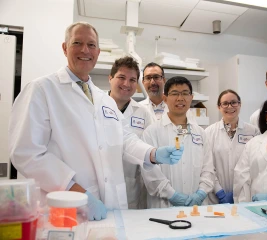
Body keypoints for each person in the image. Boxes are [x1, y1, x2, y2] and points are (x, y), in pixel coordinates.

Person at [8, 22, 184, 221]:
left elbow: (124, 139)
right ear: (65, 48)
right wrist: (77, 192)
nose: (85, 50)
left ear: (98, 52)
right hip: (66, 206)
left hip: (109, 207)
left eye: (91, 45)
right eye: (77, 43)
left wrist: (152, 153)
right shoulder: (42, 90)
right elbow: (26, 153)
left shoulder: (104, 100)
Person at [141, 76, 215, 208]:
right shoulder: (151, 132)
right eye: (175, 93)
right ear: (165, 99)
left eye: (185, 93)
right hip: (164, 206)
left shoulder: (200, 133)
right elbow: (149, 171)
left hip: (197, 206)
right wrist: (171, 195)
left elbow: (208, 169)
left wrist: (201, 193)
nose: (180, 98)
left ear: (191, 98)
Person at [108, 56, 154, 209]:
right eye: (121, 77)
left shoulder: (143, 113)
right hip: (102, 188)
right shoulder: (95, 107)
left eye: (132, 80)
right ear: (110, 78)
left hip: (131, 191)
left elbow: (148, 151)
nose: (126, 84)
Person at [205, 90, 259, 204]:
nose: (230, 106)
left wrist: (239, 191)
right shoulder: (209, 132)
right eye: (225, 103)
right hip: (215, 196)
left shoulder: (253, 131)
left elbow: (255, 164)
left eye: (234, 102)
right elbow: (207, 165)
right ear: (219, 107)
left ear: (240, 104)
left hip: (244, 194)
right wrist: (218, 191)